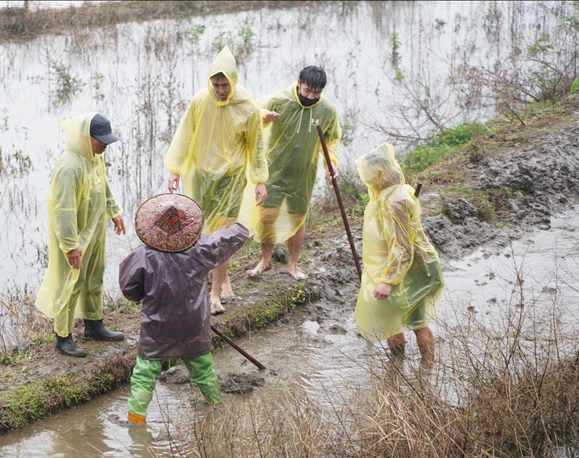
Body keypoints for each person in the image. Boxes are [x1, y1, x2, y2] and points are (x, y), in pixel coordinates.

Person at [119, 194, 248, 425]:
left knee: (144, 375)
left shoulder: (143, 256)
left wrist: (144, 295)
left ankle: (136, 422)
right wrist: (242, 225)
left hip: (156, 327)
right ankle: (216, 408)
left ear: (152, 227)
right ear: (188, 226)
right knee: (203, 369)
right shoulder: (201, 249)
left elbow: (130, 290)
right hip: (193, 325)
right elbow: (229, 237)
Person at [164, 45, 268, 315]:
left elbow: (256, 146)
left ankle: (214, 293)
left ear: (234, 81)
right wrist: (175, 168)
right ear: (210, 81)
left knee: (222, 236)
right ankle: (216, 280)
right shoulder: (200, 101)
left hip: (231, 178)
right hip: (200, 176)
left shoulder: (247, 106)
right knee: (200, 231)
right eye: (216, 84)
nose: (221, 90)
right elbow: (185, 133)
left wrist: (259, 180)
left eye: (225, 85)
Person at [35, 113, 127, 358]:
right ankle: (63, 337)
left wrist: (114, 211)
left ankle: (94, 325)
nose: (105, 146)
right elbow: (63, 209)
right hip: (74, 236)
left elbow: (103, 185)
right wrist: (69, 245)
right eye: (101, 141)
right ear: (86, 138)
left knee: (94, 275)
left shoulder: (94, 157)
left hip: (94, 228)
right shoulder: (69, 166)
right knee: (69, 283)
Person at [346, 143, 444, 360]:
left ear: (380, 172)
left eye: (368, 174)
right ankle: (397, 368)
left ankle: (427, 370)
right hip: (398, 267)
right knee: (391, 321)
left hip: (414, 269)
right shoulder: (394, 192)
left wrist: (387, 281)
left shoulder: (394, 202)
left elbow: (403, 247)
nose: (366, 179)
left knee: (418, 323)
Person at [244, 65, 341, 280]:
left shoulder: (327, 110)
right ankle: (265, 260)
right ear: (299, 83)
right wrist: (262, 117)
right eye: (307, 91)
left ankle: (293, 265)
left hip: (302, 173)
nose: (310, 96)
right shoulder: (279, 100)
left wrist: (330, 163)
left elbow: (331, 140)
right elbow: (249, 117)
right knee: (267, 215)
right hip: (274, 169)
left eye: (316, 93)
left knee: (298, 218)